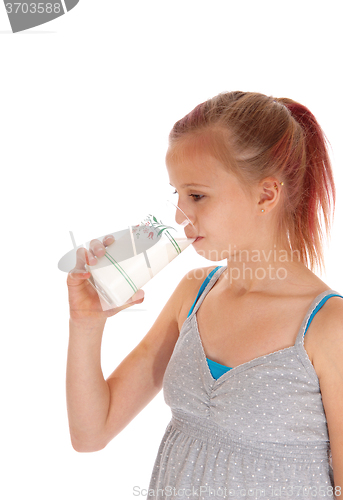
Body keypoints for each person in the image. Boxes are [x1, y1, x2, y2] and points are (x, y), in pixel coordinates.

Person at [66, 91, 343, 500]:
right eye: (177, 194)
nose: (180, 214)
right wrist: (85, 325)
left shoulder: (327, 326)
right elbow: (92, 432)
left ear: (266, 195)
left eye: (196, 195)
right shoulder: (194, 293)